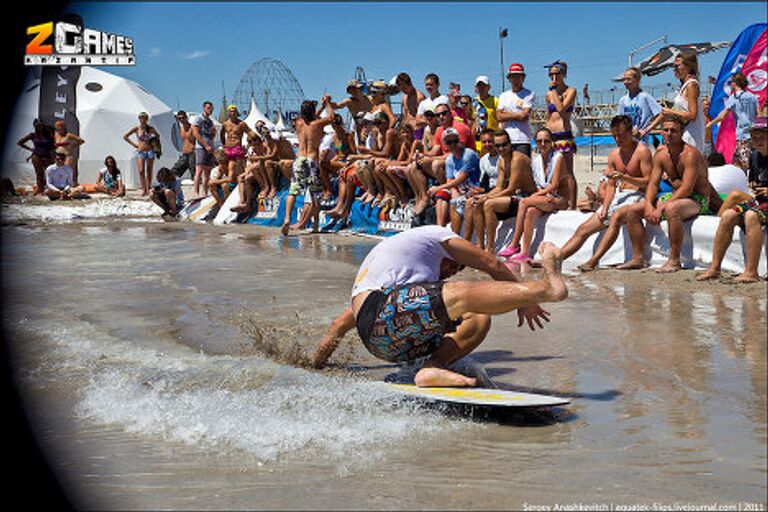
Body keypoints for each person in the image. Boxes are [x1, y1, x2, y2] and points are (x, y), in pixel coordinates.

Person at [311, 225, 568, 387]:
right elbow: (493, 264)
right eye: (454, 266)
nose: (450, 273)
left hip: (382, 342)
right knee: (460, 293)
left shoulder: (396, 275)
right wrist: (527, 299)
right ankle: (545, 288)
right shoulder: (438, 235)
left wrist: (314, 365)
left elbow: (338, 326)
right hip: (381, 317)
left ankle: (432, 369)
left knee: (477, 316)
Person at [559, 115, 653, 271]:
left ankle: (594, 260)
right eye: (614, 136)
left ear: (630, 132)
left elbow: (649, 181)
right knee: (583, 229)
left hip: (639, 195)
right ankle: (558, 258)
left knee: (615, 217)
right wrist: (605, 206)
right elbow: (610, 185)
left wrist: (626, 177)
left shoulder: (642, 151)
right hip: (618, 197)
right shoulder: (614, 155)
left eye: (621, 135)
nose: (617, 139)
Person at [637, 114, 713, 273]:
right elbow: (653, 183)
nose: (669, 134)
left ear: (682, 132)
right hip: (674, 197)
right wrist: (650, 204)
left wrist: (661, 207)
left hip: (697, 200)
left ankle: (674, 260)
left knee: (672, 209)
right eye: (666, 130)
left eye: (674, 131)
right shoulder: (660, 154)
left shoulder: (690, 154)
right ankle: (637, 257)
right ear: (661, 132)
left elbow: (687, 189)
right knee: (630, 211)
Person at [697, 117, 767, 282]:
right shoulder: (755, 156)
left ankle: (751, 271)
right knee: (728, 214)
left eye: (762, 136)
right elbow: (754, 186)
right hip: (760, 203)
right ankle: (714, 268)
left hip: (762, 207)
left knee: (751, 215)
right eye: (754, 137)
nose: (757, 140)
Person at [497, 128, 570, 263]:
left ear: (551, 142)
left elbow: (553, 185)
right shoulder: (536, 161)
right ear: (535, 142)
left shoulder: (558, 158)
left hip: (559, 199)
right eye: (539, 141)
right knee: (530, 212)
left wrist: (534, 196)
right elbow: (539, 185)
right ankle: (525, 252)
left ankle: (514, 244)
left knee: (524, 202)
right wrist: (538, 196)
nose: (543, 144)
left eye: (546, 141)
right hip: (546, 198)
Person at [477, 130, 537, 253]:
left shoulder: (517, 159)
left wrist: (487, 198)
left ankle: (490, 247)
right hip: (515, 195)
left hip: (526, 196)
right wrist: (484, 196)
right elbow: (499, 187)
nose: (501, 148)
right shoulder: (502, 160)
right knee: (472, 203)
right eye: (498, 145)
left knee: (489, 204)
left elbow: (511, 189)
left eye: (504, 145)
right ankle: (478, 245)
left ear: (510, 144)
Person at [281, 97, 334, 236]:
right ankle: (316, 225)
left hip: (299, 159)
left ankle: (286, 219)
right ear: (312, 112)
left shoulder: (298, 122)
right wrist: (327, 103)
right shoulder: (318, 124)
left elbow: (310, 118)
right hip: (311, 160)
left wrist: (320, 107)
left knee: (292, 191)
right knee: (314, 194)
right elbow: (332, 117)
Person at [646, 52, 706, 151]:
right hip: (682, 134)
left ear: (688, 67)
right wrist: (648, 128)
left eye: (677, 66)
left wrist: (671, 112)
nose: (675, 70)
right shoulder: (683, 87)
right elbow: (667, 112)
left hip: (691, 135)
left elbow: (692, 115)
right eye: (673, 67)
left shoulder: (692, 85)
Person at [427, 128, 481, 231]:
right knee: (441, 195)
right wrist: (453, 191)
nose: (453, 145)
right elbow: (450, 182)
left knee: (456, 201)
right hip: (461, 190)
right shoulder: (449, 160)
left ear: (459, 141)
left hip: (473, 189)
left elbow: (461, 178)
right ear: (445, 145)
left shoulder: (469, 155)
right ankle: (440, 230)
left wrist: (438, 187)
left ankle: (456, 234)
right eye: (449, 142)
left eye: (455, 141)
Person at [706, 71, 759, 170]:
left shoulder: (733, 98)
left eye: (731, 83)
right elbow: (758, 115)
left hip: (742, 135)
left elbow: (722, 116)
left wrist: (710, 124)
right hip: (753, 134)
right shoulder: (753, 97)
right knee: (751, 160)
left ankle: (745, 183)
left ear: (735, 83)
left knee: (742, 163)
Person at [544, 61, 578, 209]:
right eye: (551, 74)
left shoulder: (571, 91)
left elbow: (561, 109)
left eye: (557, 73)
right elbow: (549, 114)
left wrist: (553, 92)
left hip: (564, 135)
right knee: (553, 170)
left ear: (564, 74)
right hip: (551, 135)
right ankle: (558, 200)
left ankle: (573, 205)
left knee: (568, 172)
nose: (554, 77)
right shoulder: (548, 95)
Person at [465, 129, 500, 244]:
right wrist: (478, 190)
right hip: (490, 190)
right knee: (469, 202)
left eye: (490, 141)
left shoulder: (502, 157)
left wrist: (485, 191)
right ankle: (469, 241)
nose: (487, 145)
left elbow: (504, 183)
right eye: (484, 142)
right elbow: (484, 182)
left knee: (477, 204)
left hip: (500, 191)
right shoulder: (483, 160)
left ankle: (481, 244)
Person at [496, 63, 535, 158]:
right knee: (507, 169)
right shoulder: (503, 96)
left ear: (523, 78)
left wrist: (506, 114)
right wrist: (518, 114)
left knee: (523, 169)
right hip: (506, 140)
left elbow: (524, 116)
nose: (515, 79)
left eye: (518, 76)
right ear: (509, 78)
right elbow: (498, 116)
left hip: (522, 139)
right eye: (513, 76)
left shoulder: (529, 94)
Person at [618, 67, 663, 146]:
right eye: (624, 79)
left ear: (637, 80)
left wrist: (646, 130)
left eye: (628, 79)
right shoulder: (623, 100)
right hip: (626, 142)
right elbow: (619, 120)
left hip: (641, 142)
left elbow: (661, 114)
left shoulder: (645, 97)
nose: (625, 82)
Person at [123, 111, 160, 196]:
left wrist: (153, 143)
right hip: (141, 151)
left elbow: (158, 135)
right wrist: (135, 145)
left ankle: (148, 188)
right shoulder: (136, 129)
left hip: (150, 151)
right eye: (141, 117)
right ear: (139, 119)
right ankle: (144, 188)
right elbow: (125, 136)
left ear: (147, 119)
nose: (142, 119)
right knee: (141, 171)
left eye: (144, 118)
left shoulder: (150, 128)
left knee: (149, 170)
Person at [17, 119, 54, 195]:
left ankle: (48, 188)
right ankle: (40, 189)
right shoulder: (33, 135)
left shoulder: (48, 134)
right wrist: (30, 149)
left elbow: (53, 144)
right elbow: (20, 142)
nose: (40, 127)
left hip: (47, 155)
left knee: (49, 173)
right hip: (36, 156)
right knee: (39, 173)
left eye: (41, 125)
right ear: (35, 126)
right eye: (38, 125)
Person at [190, 101, 217, 200]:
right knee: (199, 170)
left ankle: (204, 192)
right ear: (204, 108)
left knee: (207, 172)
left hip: (209, 147)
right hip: (201, 147)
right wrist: (205, 145)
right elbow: (195, 133)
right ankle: (195, 193)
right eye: (209, 108)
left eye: (211, 108)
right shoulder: (198, 118)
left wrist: (214, 133)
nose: (210, 110)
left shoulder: (210, 121)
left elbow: (210, 136)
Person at [53, 120, 85, 185]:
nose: (59, 128)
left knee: (66, 171)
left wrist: (72, 146)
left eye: (60, 126)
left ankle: (72, 185)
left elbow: (81, 141)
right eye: (57, 126)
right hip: (58, 155)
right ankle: (62, 186)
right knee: (59, 171)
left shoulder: (68, 135)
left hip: (67, 156)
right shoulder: (56, 135)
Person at [473, 76, 499, 152]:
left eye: (484, 85)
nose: (481, 88)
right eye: (479, 85)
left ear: (488, 87)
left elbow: (500, 119)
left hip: (491, 140)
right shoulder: (474, 102)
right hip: (478, 141)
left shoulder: (495, 101)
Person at [171, 110, 196, 178]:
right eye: (180, 118)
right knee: (174, 170)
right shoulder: (181, 129)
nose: (181, 120)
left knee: (194, 173)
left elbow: (199, 138)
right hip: (184, 153)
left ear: (186, 117)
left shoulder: (192, 127)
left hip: (193, 153)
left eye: (183, 118)